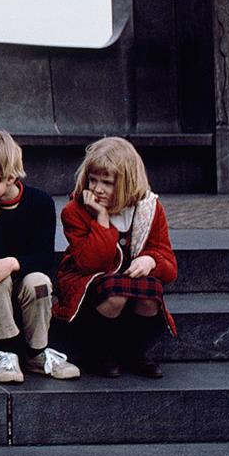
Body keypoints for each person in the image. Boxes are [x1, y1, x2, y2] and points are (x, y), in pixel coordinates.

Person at [0, 131, 78, 384]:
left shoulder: (40, 203)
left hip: (23, 286)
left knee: (39, 281)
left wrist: (13, 263)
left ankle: (37, 353)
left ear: (10, 177)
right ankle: (6, 353)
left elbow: (45, 258)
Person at [54, 138, 178, 379]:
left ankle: (134, 351)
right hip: (87, 282)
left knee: (150, 291)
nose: (97, 189)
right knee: (116, 293)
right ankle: (101, 351)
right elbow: (92, 263)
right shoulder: (75, 210)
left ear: (127, 183)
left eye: (107, 183)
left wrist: (151, 260)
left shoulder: (150, 210)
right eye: (93, 180)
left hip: (128, 284)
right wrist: (101, 219)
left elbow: (170, 268)